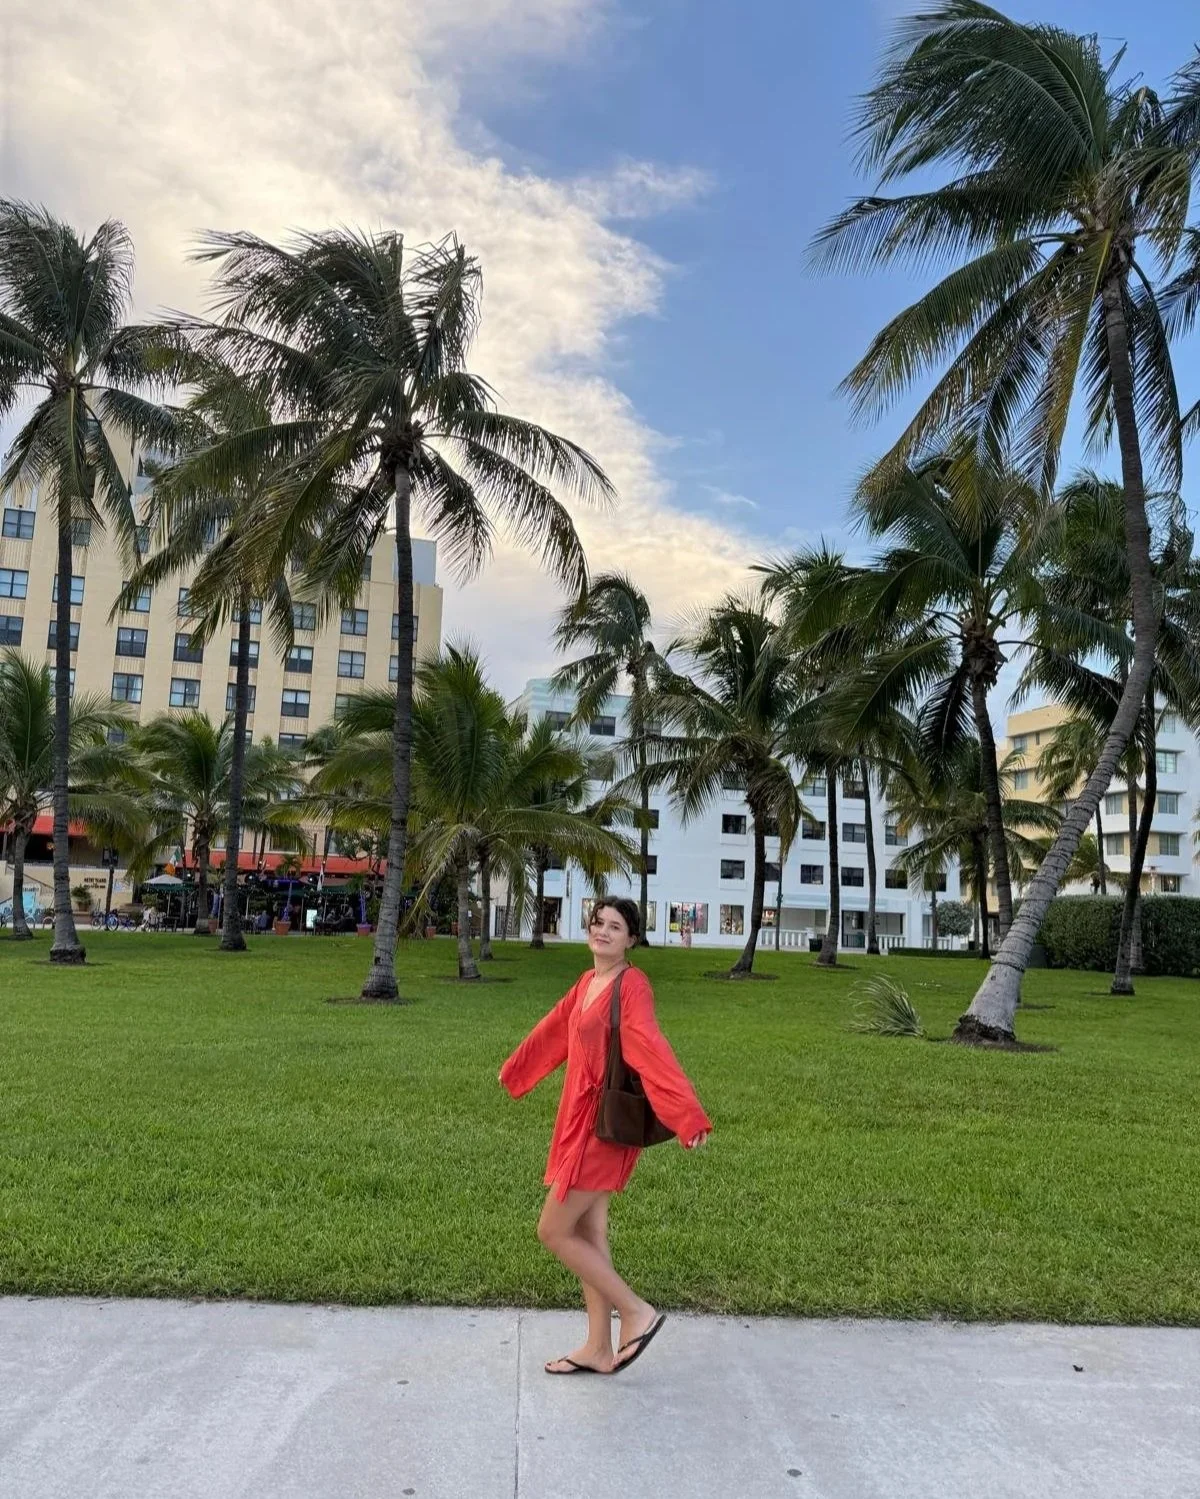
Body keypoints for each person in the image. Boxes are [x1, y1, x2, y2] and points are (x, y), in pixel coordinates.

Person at [499, 896, 711, 1376]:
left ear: (631, 939)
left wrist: (687, 1116)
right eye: (598, 923)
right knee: (588, 1233)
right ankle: (598, 1347)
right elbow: (554, 1029)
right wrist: (517, 1072)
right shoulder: (587, 983)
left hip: (605, 1128)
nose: (603, 931)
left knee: (552, 1229)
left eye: (616, 926)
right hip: (576, 1120)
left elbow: (649, 1048)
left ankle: (636, 1311)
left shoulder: (631, 985)